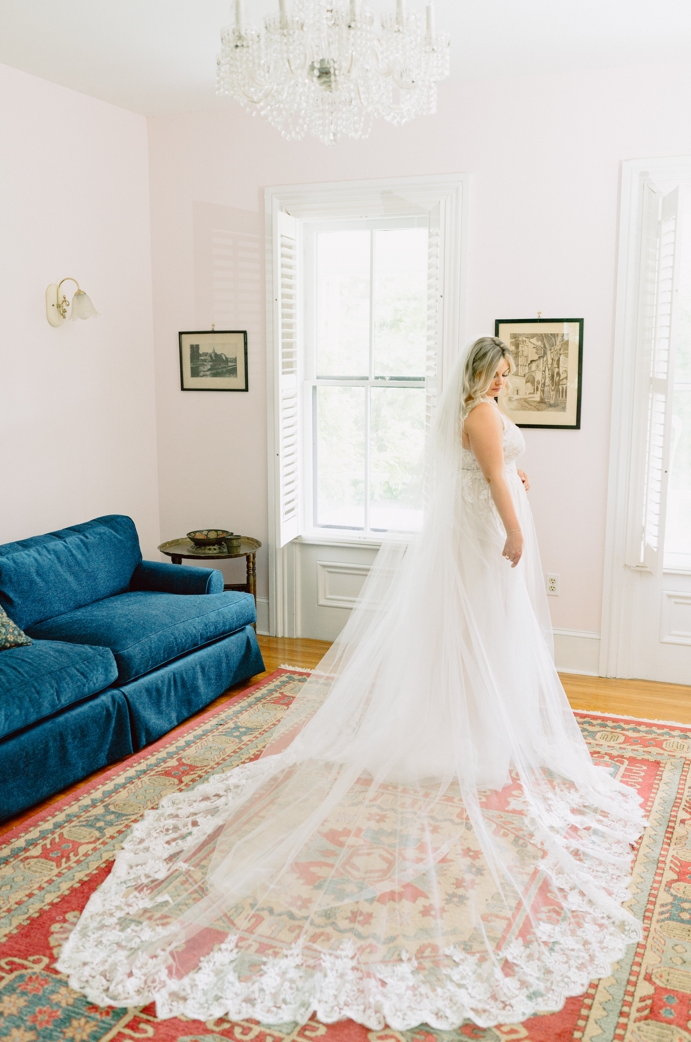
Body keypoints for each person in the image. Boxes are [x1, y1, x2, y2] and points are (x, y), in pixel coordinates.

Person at [58, 337, 645, 1031]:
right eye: (501, 374)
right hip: (486, 533)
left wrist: (515, 490)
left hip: (476, 528)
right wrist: (516, 527)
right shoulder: (482, 415)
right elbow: (490, 478)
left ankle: (475, 723)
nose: (506, 384)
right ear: (482, 374)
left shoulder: (478, 413)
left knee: (475, 641)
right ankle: (469, 729)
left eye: (510, 375)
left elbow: (492, 472)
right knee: (477, 639)